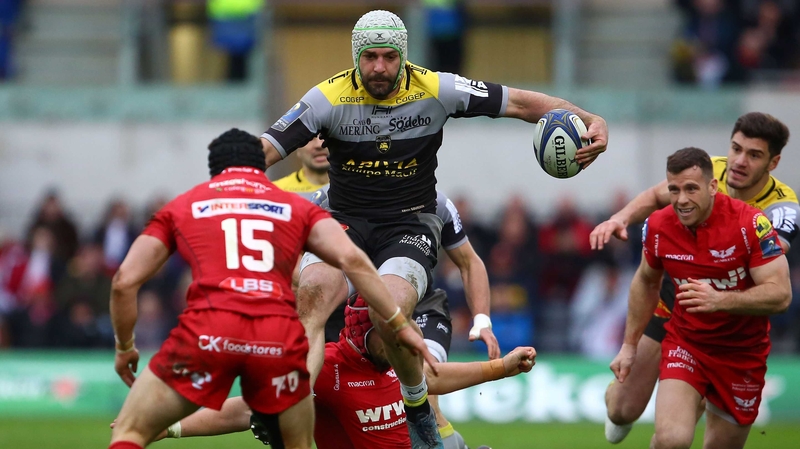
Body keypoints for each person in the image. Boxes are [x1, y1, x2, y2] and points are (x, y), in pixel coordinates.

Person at [259, 10, 609, 448]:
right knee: (310, 300)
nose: (380, 67)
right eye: (370, 57)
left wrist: (589, 118)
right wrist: (226, 183)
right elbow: (266, 149)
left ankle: (418, 407)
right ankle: (288, 404)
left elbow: (521, 103)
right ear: (355, 57)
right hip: (344, 221)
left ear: (404, 56)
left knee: (389, 311)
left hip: (409, 222)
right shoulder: (326, 98)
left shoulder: (437, 88)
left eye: (390, 57)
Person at [107, 129, 434, 449]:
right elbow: (353, 260)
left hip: (208, 330)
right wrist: (397, 322)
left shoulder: (182, 206)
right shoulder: (298, 206)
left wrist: (125, 348)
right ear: (261, 164)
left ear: (215, 170)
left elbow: (124, 281)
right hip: (275, 337)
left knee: (131, 430)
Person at [591, 112, 798, 443]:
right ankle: (628, 402)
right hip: (677, 297)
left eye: (754, 155)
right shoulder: (706, 171)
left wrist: (718, 294)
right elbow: (656, 197)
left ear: (773, 163)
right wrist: (621, 218)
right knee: (622, 409)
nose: (739, 161)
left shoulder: (781, 208)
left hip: (729, 310)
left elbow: (768, 272)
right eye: (736, 149)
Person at [133, 290, 535, 449]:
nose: (404, 341)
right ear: (363, 332)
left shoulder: (401, 357)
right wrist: (169, 426)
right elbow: (243, 410)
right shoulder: (325, 366)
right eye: (391, 334)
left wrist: (502, 367)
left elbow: (433, 378)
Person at [312, 184, 500, 449]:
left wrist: (482, 320)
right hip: (358, 317)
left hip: (421, 309)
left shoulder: (435, 202)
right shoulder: (331, 197)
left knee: (424, 392)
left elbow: (469, 262)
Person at [272, 135, 330, 200]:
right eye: (310, 138)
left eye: (325, 136)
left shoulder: (341, 188)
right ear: (297, 147)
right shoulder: (276, 191)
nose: (319, 145)